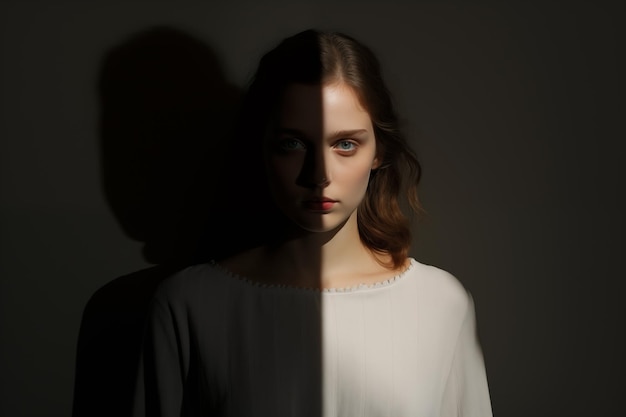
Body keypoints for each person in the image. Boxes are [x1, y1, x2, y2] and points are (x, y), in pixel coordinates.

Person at [133, 29, 492, 416]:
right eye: (293, 143)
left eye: (345, 144)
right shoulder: (188, 303)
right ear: (261, 147)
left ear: (379, 152)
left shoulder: (441, 303)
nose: (319, 174)